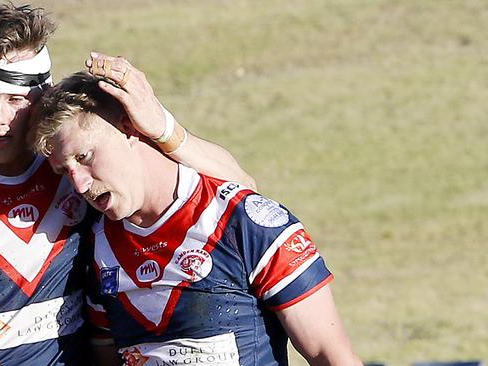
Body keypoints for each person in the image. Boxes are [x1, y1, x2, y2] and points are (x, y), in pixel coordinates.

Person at [0, 3, 253, 366]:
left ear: (43, 95)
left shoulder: (81, 164)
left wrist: (164, 128)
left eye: (15, 100)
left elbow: (239, 189)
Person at [31, 71, 364, 366]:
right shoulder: (92, 244)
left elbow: (330, 355)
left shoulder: (243, 224)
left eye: (84, 156)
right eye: (64, 170)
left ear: (129, 127)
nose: (79, 183)